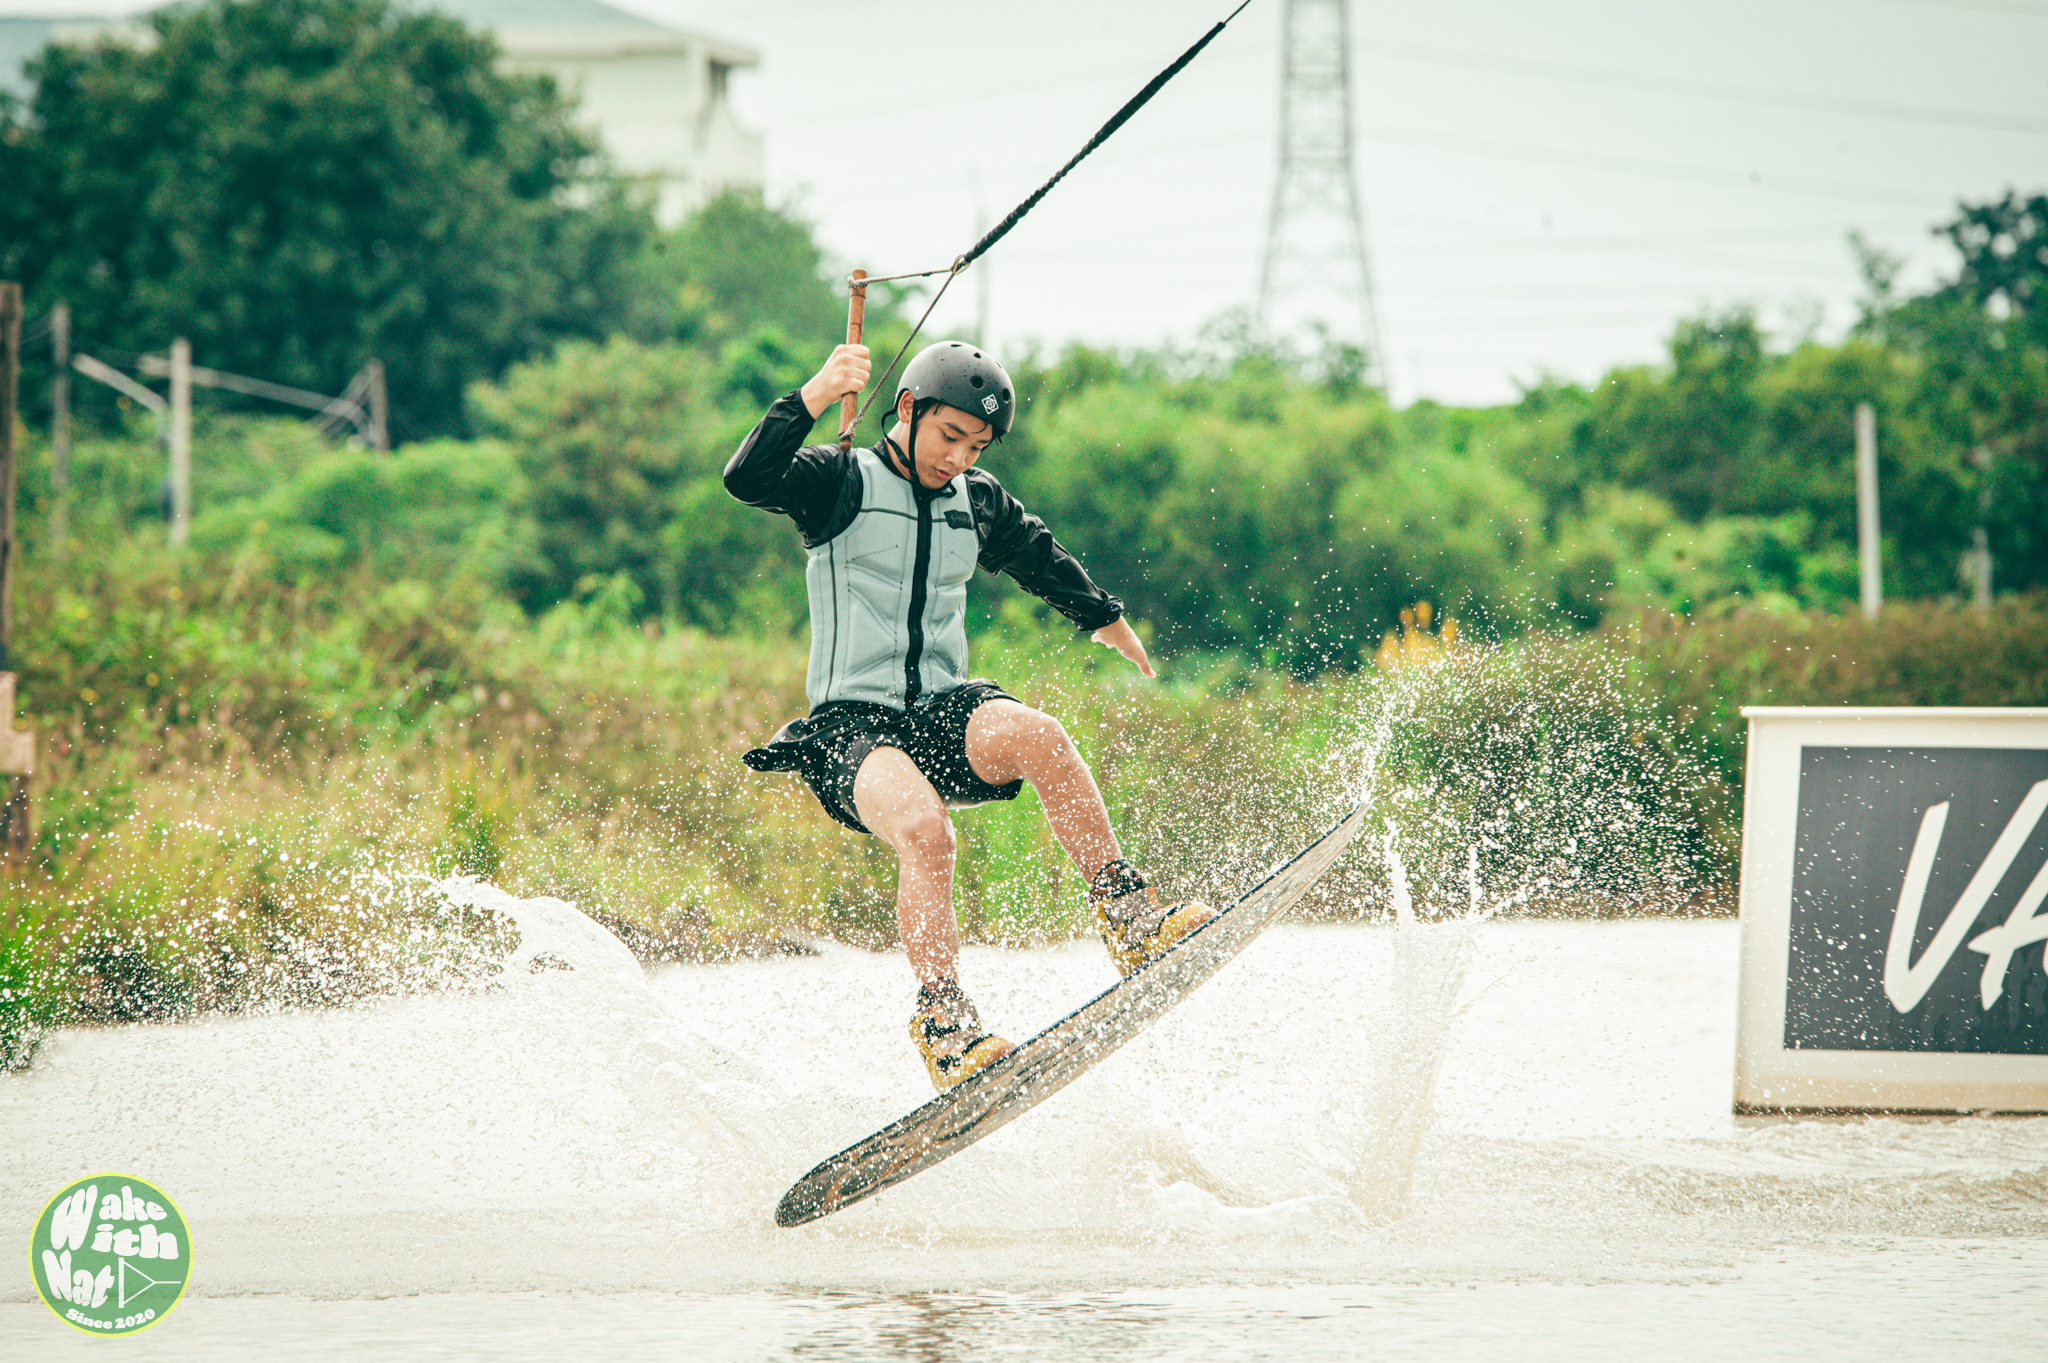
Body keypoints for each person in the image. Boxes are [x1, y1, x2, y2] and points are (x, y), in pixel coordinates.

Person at [724, 338, 1213, 1090]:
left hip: (939, 713)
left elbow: (1035, 552)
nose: (958, 456)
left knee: (1042, 737)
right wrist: (817, 392)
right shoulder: (836, 480)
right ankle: (946, 1024)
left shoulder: (975, 500)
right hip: (851, 731)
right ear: (909, 409)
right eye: (950, 436)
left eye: (976, 445)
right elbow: (746, 477)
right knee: (925, 829)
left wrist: (1104, 618)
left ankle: (1131, 917)